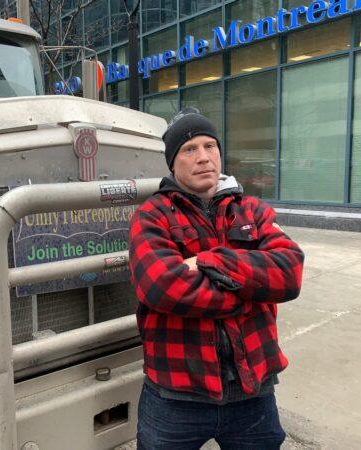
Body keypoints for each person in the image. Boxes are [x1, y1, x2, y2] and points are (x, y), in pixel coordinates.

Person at [128, 109, 305, 449]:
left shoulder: (252, 210)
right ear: (172, 163)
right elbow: (163, 288)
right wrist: (250, 291)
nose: (204, 157)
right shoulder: (152, 216)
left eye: (210, 146)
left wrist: (209, 262)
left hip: (252, 392)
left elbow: (289, 272)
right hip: (176, 395)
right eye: (189, 149)